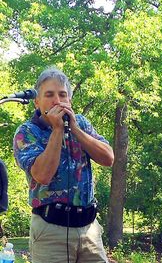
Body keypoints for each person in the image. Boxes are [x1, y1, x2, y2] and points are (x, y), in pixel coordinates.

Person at [13, 66, 114, 263]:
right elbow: (42, 175)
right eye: (49, 95)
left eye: (62, 95)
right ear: (37, 101)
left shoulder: (82, 123)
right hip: (50, 229)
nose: (57, 101)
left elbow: (108, 158)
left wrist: (75, 128)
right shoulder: (27, 132)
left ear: (70, 100)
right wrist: (57, 130)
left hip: (89, 229)